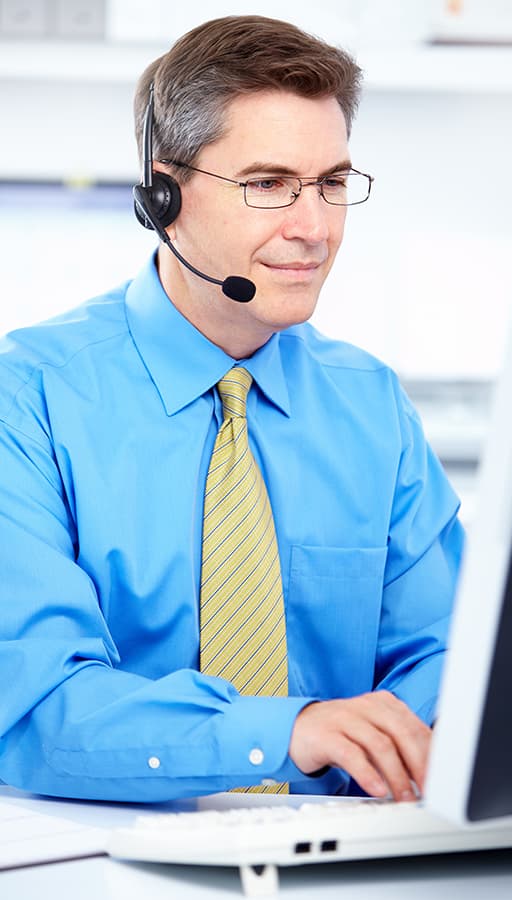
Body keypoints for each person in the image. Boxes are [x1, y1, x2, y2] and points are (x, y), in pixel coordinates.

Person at [0, 15, 464, 803]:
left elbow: (449, 658)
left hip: (349, 857)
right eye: (270, 185)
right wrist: (285, 734)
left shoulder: (370, 403)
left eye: (331, 184)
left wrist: (406, 742)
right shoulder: (30, 398)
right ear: (163, 194)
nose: (313, 228)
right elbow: (35, 708)